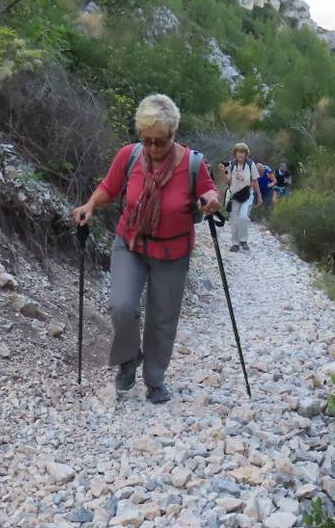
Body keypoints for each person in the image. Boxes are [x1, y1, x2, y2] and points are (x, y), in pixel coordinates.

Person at [71, 94, 219, 404]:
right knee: (121, 305)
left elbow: (208, 190)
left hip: (172, 253)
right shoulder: (129, 156)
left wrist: (210, 200)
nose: (152, 148)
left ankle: (154, 380)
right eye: (147, 140)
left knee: (162, 320)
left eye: (160, 142)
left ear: (172, 135)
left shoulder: (192, 163)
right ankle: (127, 360)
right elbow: (109, 188)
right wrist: (90, 206)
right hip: (131, 244)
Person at [224, 143, 261, 252]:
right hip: (234, 196)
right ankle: (235, 243)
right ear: (235, 153)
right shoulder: (230, 164)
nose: (240, 154)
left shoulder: (250, 164)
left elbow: (255, 181)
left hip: (247, 195)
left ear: (246, 154)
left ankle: (243, 240)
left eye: (243, 152)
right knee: (234, 220)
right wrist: (226, 173)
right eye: (239, 152)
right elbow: (227, 181)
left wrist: (259, 196)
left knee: (243, 217)